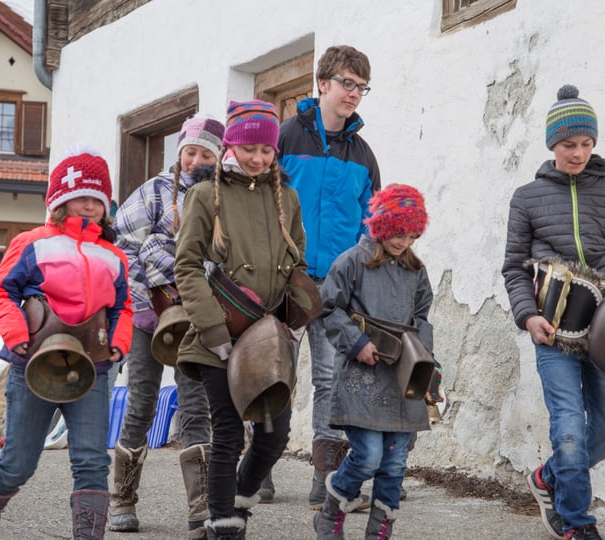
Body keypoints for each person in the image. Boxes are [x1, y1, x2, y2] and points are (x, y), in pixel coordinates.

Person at [0, 146, 133, 540]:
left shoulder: (114, 257)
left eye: (97, 200)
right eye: (80, 198)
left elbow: (124, 308)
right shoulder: (32, 243)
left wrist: (119, 345)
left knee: (92, 461)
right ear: (60, 201)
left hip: (93, 369)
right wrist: (15, 332)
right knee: (17, 463)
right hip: (32, 363)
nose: (89, 207)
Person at [501, 85, 605, 540]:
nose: (578, 153)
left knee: (602, 434)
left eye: (585, 144)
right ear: (551, 145)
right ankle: (578, 523)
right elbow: (513, 268)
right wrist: (527, 316)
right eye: (568, 145)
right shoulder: (527, 198)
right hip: (553, 329)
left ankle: (546, 479)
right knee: (569, 430)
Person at [174, 99, 309, 540]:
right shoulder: (202, 195)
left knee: (274, 435)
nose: (258, 159)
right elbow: (187, 266)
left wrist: (301, 307)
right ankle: (224, 528)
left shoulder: (287, 197)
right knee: (229, 434)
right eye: (250, 148)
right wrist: (213, 330)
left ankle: (236, 504)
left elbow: (297, 264)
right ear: (232, 143)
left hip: (267, 342)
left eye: (266, 151)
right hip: (217, 337)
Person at [109, 115, 225, 538]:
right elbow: (124, 250)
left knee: (197, 407)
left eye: (206, 153)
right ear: (179, 152)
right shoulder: (153, 192)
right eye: (190, 151)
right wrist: (163, 284)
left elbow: (223, 256)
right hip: (145, 317)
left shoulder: (221, 199)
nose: (196, 159)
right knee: (141, 404)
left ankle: (201, 509)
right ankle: (123, 497)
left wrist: (193, 289)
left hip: (196, 319)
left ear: (219, 157)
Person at [278, 44, 381, 510]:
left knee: (328, 379)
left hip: (336, 287)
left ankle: (326, 476)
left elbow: (370, 225)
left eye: (361, 86)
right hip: (285, 279)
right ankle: (261, 464)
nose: (354, 93)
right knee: (273, 374)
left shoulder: (364, 155)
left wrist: (360, 273)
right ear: (323, 83)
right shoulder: (285, 138)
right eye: (347, 83)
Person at [313, 184, 432, 540]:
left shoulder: (416, 270)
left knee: (395, 463)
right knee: (367, 456)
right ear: (380, 225)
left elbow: (423, 318)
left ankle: (380, 530)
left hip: (402, 380)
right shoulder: (352, 261)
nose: (403, 241)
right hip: (361, 376)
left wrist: (424, 366)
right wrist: (356, 342)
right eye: (397, 232)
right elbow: (327, 309)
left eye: (412, 234)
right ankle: (331, 511)